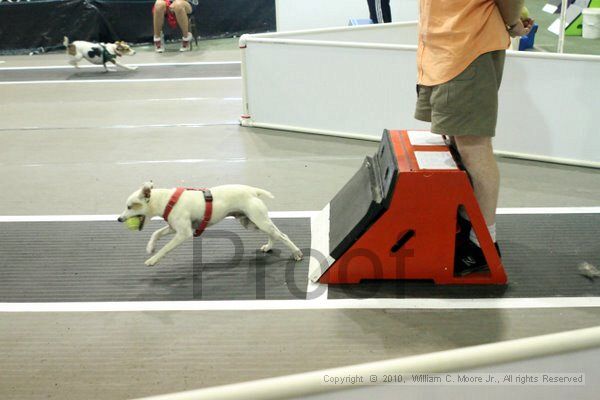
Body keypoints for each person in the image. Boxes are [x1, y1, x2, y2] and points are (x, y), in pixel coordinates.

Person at [414, 0, 533, 275]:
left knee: (473, 147)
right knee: (459, 142)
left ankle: (482, 244)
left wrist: (513, 21)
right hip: (445, 47)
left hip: (468, 48)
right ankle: (469, 226)